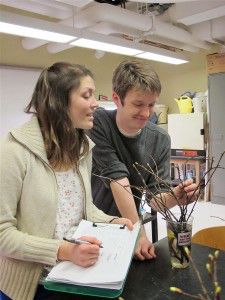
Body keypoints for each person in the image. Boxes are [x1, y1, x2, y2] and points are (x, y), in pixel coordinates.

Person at [0, 62, 132, 300]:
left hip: (73, 276)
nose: (95, 103)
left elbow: (81, 208)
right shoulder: (13, 152)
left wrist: (112, 221)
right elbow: (3, 235)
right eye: (86, 95)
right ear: (58, 102)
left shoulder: (82, 149)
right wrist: (63, 250)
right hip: (32, 288)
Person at [88, 60, 198, 261]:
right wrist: (138, 232)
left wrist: (174, 196)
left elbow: (155, 201)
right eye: (138, 104)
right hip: (95, 225)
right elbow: (118, 180)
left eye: (151, 104)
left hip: (130, 225)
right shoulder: (98, 123)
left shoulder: (160, 139)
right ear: (116, 98)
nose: (146, 113)